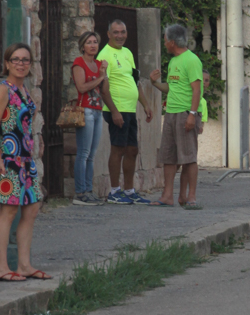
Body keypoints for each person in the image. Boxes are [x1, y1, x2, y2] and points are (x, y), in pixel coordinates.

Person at [0, 43, 51, 282]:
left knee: (32, 209)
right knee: (9, 211)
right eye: (16, 59)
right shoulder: (3, 89)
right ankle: (1, 267)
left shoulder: (25, 90)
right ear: (7, 63)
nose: (21, 64)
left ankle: (24, 265)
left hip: (25, 160)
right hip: (8, 158)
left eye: (25, 60)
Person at [97, 19, 154, 205]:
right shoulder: (104, 55)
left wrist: (145, 105)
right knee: (118, 149)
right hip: (117, 110)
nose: (119, 36)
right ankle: (114, 192)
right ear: (108, 34)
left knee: (132, 149)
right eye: (116, 32)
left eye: (122, 32)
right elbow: (103, 88)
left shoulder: (128, 53)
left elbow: (135, 81)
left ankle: (129, 191)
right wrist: (114, 112)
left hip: (130, 110)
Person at [149, 24, 203, 208]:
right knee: (169, 157)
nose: (164, 43)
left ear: (172, 42)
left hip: (185, 113)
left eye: (165, 40)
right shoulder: (173, 61)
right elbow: (171, 88)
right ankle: (167, 196)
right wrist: (154, 83)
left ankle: (191, 197)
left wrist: (192, 115)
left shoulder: (192, 60)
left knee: (189, 157)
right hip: (171, 113)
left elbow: (197, 90)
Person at [71, 30, 115, 206]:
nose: (93, 45)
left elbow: (104, 91)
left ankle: (89, 190)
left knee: (92, 154)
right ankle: (80, 192)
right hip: (85, 110)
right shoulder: (79, 63)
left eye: (95, 42)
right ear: (83, 46)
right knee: (83, 152)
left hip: (98, 110)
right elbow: (82, 87)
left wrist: (104, 74)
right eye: (89, 42)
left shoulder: (98, 64)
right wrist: (100, 77)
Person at [178, 69, 210, 208]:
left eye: (207, 81)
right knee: (186, 160)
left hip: (194, 126)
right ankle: (183, 194)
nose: (205, 83)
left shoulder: (203, 101)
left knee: (189, 160)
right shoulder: (190, 96)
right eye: (203, 80)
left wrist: (201, 124)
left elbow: (202, 116)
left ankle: (184, 194)